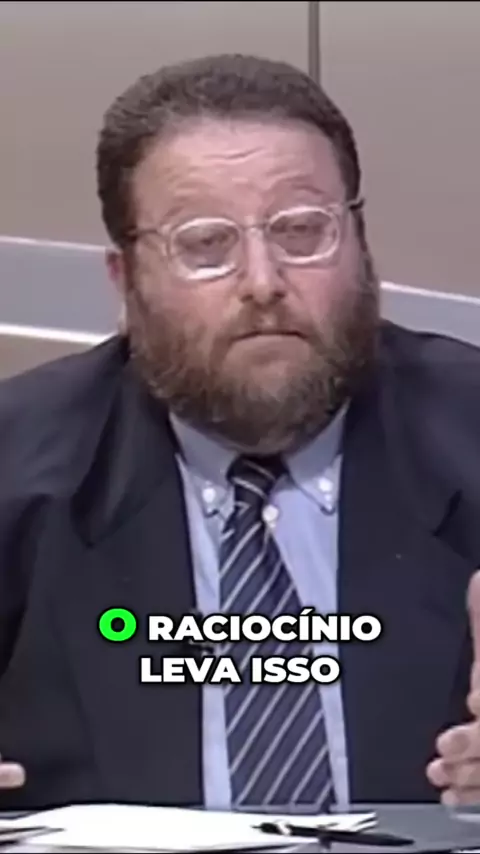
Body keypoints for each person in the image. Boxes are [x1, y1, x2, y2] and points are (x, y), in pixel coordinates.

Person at [1, 53, 480, 815]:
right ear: (125, 280)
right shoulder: (15, 465)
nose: (263, 282)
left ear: (360, 244)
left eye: (302, 231)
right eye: (205, 245)